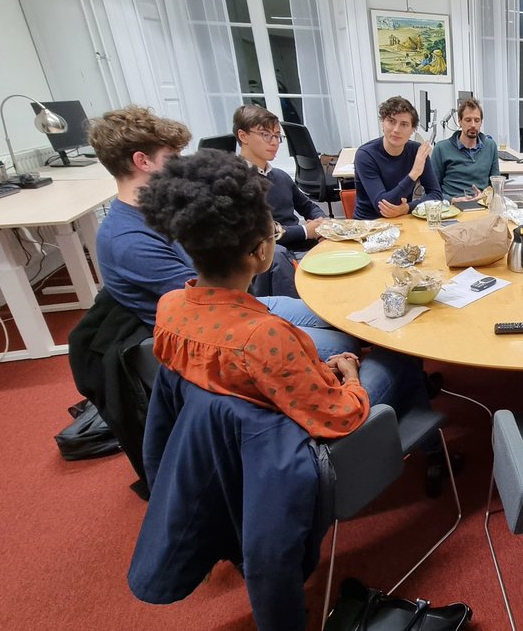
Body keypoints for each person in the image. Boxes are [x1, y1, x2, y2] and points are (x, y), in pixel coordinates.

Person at [138, 149, 431, 436]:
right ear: (259, 251)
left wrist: (315, 369)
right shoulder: (266, 338)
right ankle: (424, 438)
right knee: (397, 351)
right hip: (309, 445)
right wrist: (351, 376)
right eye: (274, 230)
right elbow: (342, 416)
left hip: (238, 429)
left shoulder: (169, 306)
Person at [88, 105, 350, 358]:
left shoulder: (165, 211)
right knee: (343, 341)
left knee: (338, 316)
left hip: (232, 307)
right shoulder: (128, 240)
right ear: (142, 161)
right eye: (172, 158)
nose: (181, 165)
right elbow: (210, 303)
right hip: (212, 331)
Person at [233, 104, 325, 254]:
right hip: (275, 257)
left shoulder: (280, 176)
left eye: (277, 136)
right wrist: (306, 231)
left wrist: (322, 223)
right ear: (243, 136)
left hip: (303, 248)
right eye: (265, 134)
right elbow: (262, 233)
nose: (274, 142)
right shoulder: (235, 182)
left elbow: (308, 207)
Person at [353, 96, 442, 220]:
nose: (396, 130)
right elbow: (383, 207)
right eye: (391, 121)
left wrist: (407, 208)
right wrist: (414, 173)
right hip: (369, 224)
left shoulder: (418, 152)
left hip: (402, 221)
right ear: (382, 123)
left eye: (404, 124)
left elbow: (436, 195)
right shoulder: (365, 155)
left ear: (412, 130)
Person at [429, 97, 501, 202]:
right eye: (468, 120)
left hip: (481, 205)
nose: (473, 125)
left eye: (477, 120)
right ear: (459, 121)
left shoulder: (490, 146)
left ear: (481, 122)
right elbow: (430, 190)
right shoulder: (441, 149)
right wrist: (453, 200)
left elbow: (496, 186)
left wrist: (485, 196)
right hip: (452, 206)